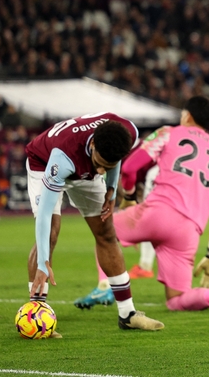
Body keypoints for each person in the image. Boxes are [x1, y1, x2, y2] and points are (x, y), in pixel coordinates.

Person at [76, 96, 209, 312]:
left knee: (104, 229)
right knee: (177, 300)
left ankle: (105, 285)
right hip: (188, 232)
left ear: (187, 115)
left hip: (158, 212)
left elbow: (130, 169)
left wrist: (130, 198)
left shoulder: (168, 133)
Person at [25, 113, 164, 335]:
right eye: (100, 164)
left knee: (106, 232)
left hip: (82, 166)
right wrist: (43, 262)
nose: (101, 171)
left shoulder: (128, 133)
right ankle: (36, 315)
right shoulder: (63, 158)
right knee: (51, 232)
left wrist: (111, 188)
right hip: (44, 163)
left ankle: (127, 314)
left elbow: (110, 162)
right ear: (93, 144)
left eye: (107, 167)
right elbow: (43, 214)